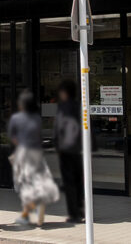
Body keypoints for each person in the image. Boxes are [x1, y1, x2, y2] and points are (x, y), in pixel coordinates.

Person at [8, 89, 60, 227]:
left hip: (23, 154)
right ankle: (38, 210)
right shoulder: (37, 118)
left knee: (21, 185)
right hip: (37, 154)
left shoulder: (16, 118)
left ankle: (27, 212)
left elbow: (12, 136)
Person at [53, 80, 84, 223]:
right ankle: (81, 208)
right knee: (79, 180)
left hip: (66, 150)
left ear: (64, 93)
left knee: (69, 182)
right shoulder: (79, 106)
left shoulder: (63, 107)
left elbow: (59, 128)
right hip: (77, 149)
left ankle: (74, 214)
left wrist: (57, 146)